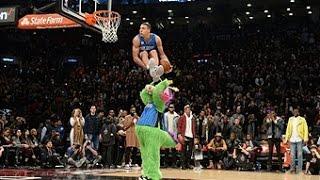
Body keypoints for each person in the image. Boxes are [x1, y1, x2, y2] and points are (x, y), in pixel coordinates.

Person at [135, 79, 178, 180]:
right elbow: (143, 95)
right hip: (141, 130)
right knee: (145, 154)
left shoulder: (159, 105)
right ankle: (145, 173)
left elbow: (157, 92)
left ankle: (154, 176)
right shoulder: (150, 103)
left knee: (152, 154)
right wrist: (148, 87)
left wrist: (165, 82)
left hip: (151, 131)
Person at [285, 108, 309, 174]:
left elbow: (306, 129)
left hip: (299, 139)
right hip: (292, 139)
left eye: (296, 111)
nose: (295, 112)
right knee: (292, 155)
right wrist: (287, 138)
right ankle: (292, 169)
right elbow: (288, 129)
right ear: (293, 112)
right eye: (294, 111)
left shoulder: (302, 119)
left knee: (300, 154)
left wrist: (305, 138)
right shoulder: (290, 119)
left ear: (298, 112)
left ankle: (300, 170)